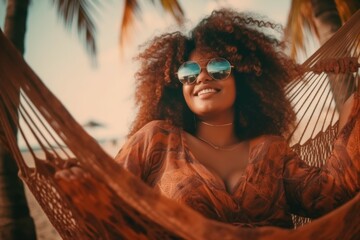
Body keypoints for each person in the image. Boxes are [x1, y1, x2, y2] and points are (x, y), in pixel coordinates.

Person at [112, 8, 360, 229]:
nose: (202, 78)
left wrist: (354, 100)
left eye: (218, 68)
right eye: (189, 72)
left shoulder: (271, 150)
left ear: (240, 77)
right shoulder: (157, 141)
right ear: (178, 86)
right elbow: (107, 198)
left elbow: (332, 197)